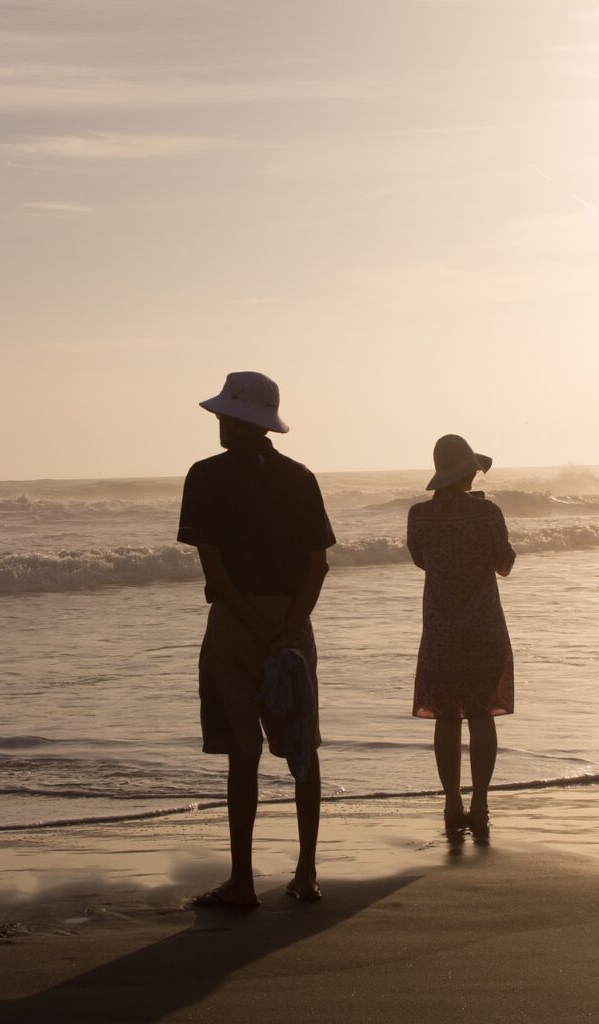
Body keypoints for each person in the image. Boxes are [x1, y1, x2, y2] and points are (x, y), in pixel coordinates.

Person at [177, 371, 335, 906]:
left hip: (235, 623)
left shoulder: (205, 475)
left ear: (236, 418)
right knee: (302, 750)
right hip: (293, 623)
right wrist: (290, 624)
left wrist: (253, 622)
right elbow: (318, 563)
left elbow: (214, 563)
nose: (218, 422)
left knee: (242, 754)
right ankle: (307, 872)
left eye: (223, 415)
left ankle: (242, 882)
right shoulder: (300, 477)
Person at [407, 434, 515, 844]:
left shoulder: (419, 515)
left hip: (440, 631)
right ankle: (481, 804)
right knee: (482, 715)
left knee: (447, 718)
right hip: (484, 627)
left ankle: (452, 803)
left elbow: (422, 561)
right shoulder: (488, 513)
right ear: (468, 472)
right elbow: (503, 564)